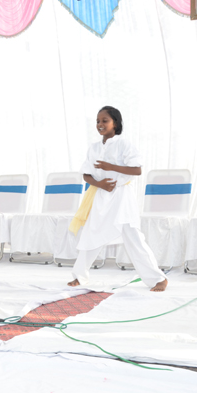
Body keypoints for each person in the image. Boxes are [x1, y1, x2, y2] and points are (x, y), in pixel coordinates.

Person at [66, 106, 168, 292]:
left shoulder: (124, 144)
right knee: (91, 233)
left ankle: (158, 278)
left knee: (133, 236)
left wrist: (110, 166)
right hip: (100, 195)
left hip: (121, 197)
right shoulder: (94, 148)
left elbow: (137, 170)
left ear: (116, 123)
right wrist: (100, 184)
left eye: (105, 120)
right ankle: (79, 276)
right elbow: (86, 174)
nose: (100, 124)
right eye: (98, 121)